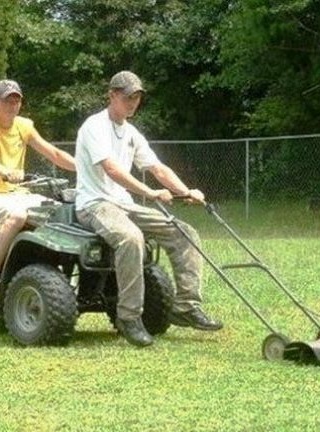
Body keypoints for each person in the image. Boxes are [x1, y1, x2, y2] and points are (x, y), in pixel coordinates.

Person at [74, 70, 223, 347]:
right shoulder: (94, 126)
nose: (133, 102)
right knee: (131, 238)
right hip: (95, 204)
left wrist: (186, 191)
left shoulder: (131, 132)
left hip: (124, 204)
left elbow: (157, 168)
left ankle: (187, 306)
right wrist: (149, 192)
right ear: (112, 95)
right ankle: (129, 317)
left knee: (184, 231)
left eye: (137, 97)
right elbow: (112, 169)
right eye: (128, 96)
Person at [0, 79, 75, 301]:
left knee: (64, 211)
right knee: (17, 216)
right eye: (7, 100)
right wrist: (5, 171)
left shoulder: (24, 126)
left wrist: (85, 167)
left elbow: (53, 153)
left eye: (16, 101)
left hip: (18, 195)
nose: (12, 105)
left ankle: (66, 276)